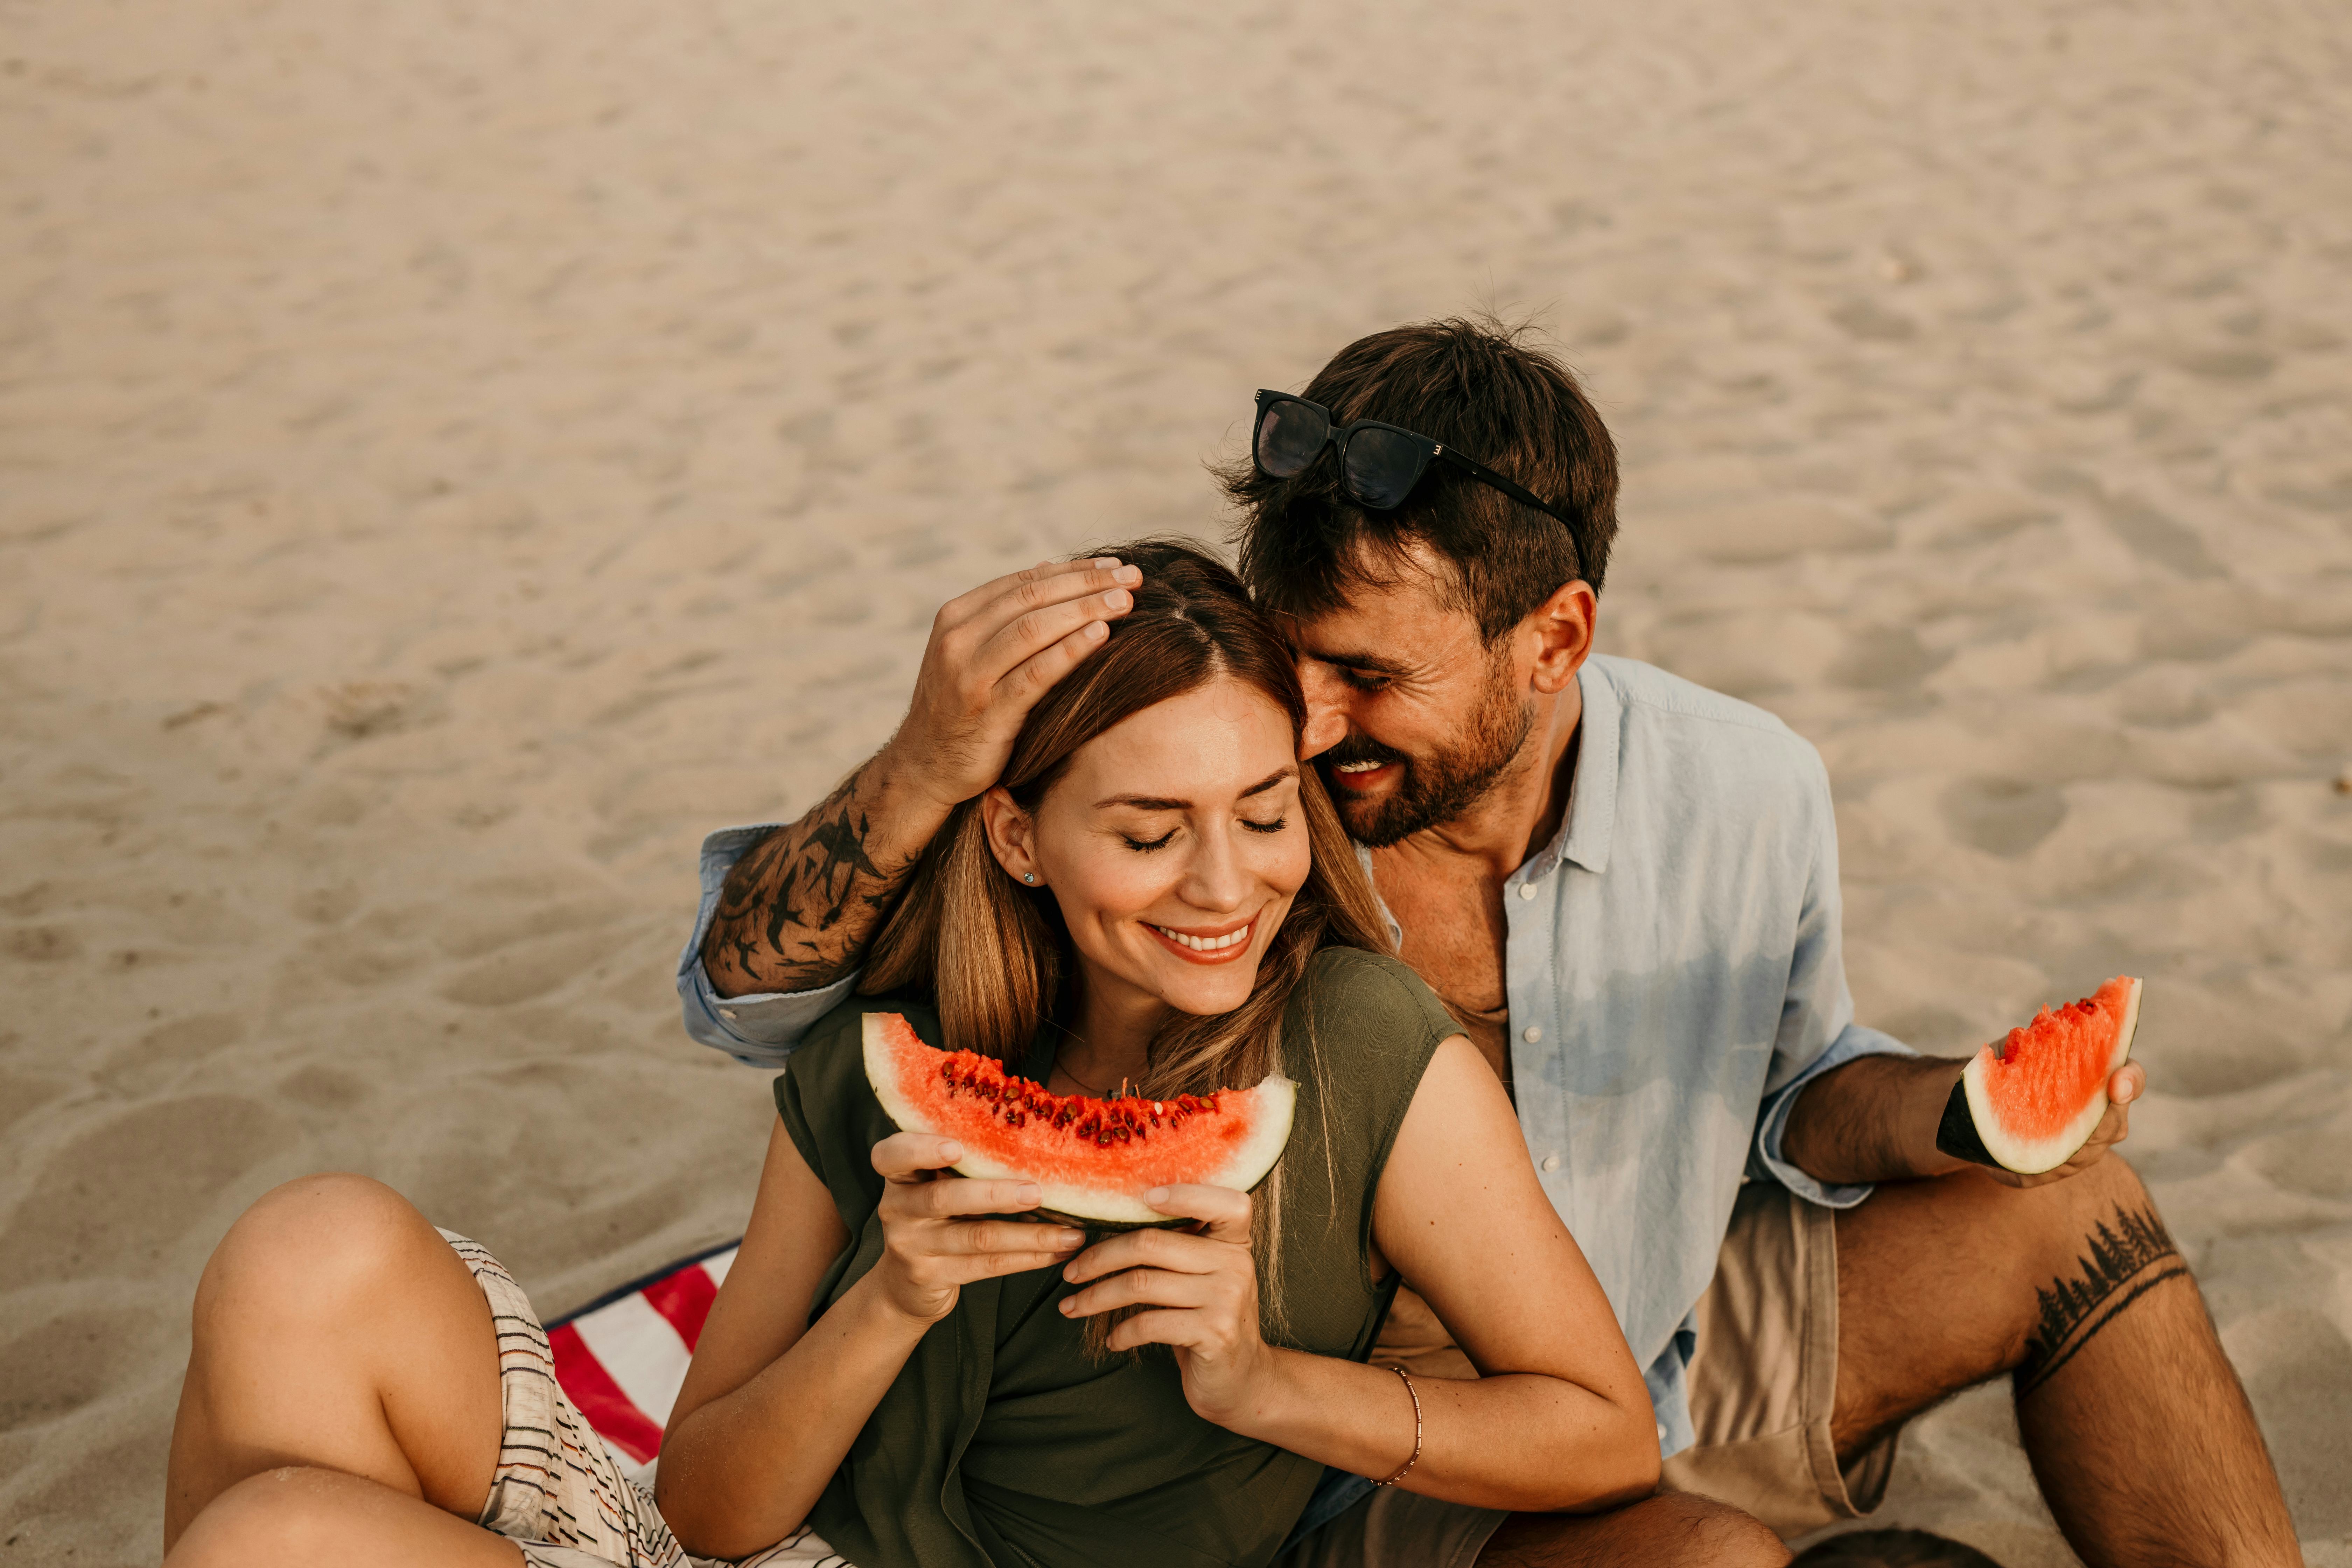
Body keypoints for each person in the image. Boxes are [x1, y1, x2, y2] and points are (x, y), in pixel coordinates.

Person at [682, 323, 2302, 1568]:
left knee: (2072, 1203)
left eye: (1370, 675)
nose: (1310, 719)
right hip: (1349, 1466)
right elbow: (761, 1009)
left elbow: (1799, 1097)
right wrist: (916, 769)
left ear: (1558, 639)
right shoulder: (1233, 813)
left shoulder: (1744, 788)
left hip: (1650, 1344)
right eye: (1287, 653)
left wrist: (1955, 1109)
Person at [160, 542, 1766, 1568]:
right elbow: (709, 1511)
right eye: (1149, 831)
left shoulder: (1364, 1046)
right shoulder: (888, 1050)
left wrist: (1269, 1384)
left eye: (1265, 813)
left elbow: (1603, 1426)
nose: (1227, 887)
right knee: (306, 1251)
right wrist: (891, 1298)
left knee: (276, 1537)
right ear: (1015, 832)